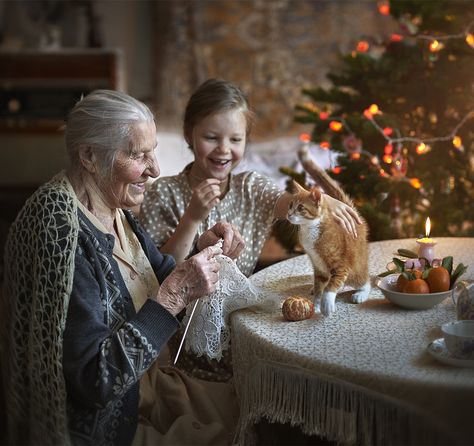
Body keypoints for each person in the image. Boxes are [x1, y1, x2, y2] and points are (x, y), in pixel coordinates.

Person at [1, 89, 243, 446]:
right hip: (107, 425)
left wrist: (200, 250)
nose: (156, 170)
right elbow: (94, 382)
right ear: (89, 156)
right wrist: (174, 295)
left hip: (148, 385)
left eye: (153, 151)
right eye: (138, 155)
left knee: (253, 402)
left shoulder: (115, 209)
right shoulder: (60, 234)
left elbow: (158, 273)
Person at [140, 78, 361, 381]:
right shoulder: (164, 193)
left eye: (235, 139)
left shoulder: (251, 187)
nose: (224, 149)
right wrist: (192, 218)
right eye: (211, 137)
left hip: (245, 326)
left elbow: (291, 203)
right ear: (189, 134)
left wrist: (329, 204)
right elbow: (158, 276)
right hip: (184, 341)